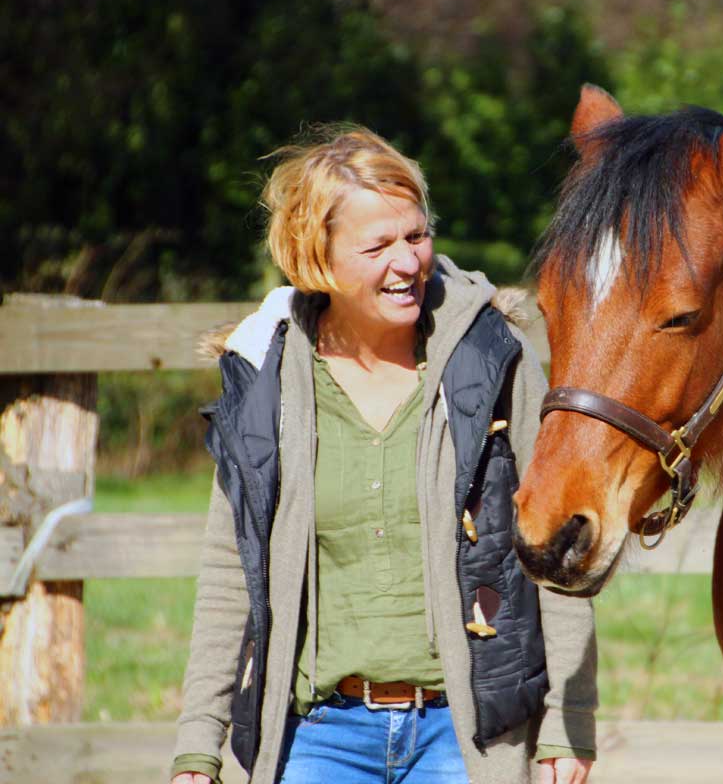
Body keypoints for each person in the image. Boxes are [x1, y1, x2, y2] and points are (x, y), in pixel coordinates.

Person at [169, 126, 597, 784]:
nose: (408, 263)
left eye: (417, 236)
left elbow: (549, 549)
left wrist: (567, 723)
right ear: (319, 257)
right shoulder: (265, 379)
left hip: (466, 738)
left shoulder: (492, 361)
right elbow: (231, 569)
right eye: (378, 246)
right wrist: (199, 743)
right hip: (316, 737)